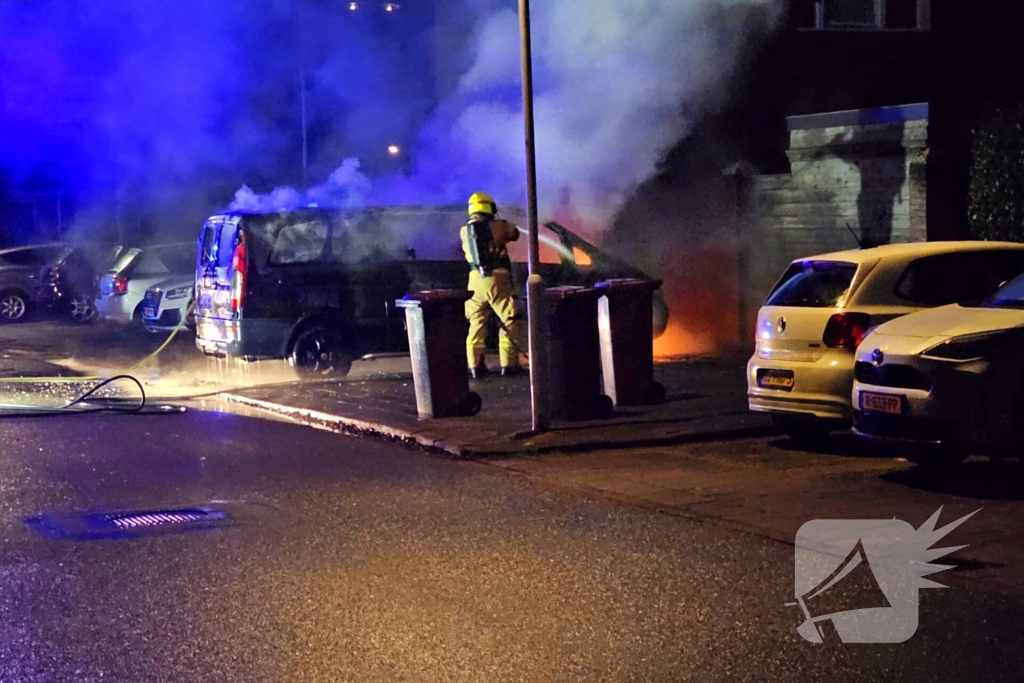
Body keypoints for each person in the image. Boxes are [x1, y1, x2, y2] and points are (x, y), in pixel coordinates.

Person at [461, 191, 522, 378]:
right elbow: (515, 234)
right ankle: (508, 365)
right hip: (497, 279)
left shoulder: (464, 230)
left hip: (474, 283)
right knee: (509, 320)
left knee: (476, 323)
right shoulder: (500, 226)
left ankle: (475, 366)